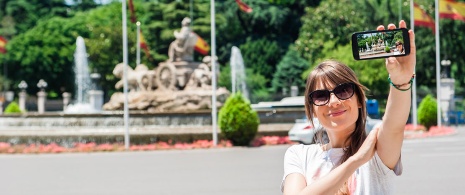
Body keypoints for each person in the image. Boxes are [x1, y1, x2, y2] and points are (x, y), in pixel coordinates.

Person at [281, 20, 415, 195]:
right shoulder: (300, 155)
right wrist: (356, 160)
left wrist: (401, 81)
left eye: (343, 91)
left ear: (359, 100)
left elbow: (395, 125)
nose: (334, 101)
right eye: (321, 96)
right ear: (312, 107)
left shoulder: (376, 150)